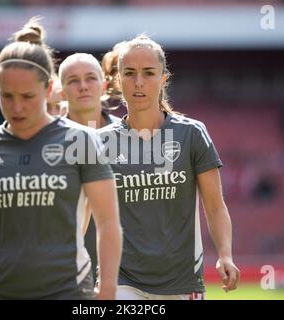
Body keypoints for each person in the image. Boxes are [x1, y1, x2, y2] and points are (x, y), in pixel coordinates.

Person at [0, 17, 122, 300]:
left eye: (27, 96)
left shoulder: (82, 141)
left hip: (69, 293)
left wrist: (108, 292)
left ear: (49, 89)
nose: (17, 107)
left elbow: (108, 223)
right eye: (7, 96)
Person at [98, 35, 240, 300]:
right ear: (118, 80)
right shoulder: (101, 142)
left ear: (163, 79)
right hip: (122, 278)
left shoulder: (193, 134)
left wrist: (225, 255)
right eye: (129, 73)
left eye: (149, 73)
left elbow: (215, 205)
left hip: (182, 280)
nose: (139, 82)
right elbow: (88, 214)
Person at [58, 52, 121, 281]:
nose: (83, 86)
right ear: (61, 91)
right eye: (73, 80)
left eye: (90, 78)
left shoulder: (130, 137)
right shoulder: (44, 141)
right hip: (61, 275)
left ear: (104, 85)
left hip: (125, 278)